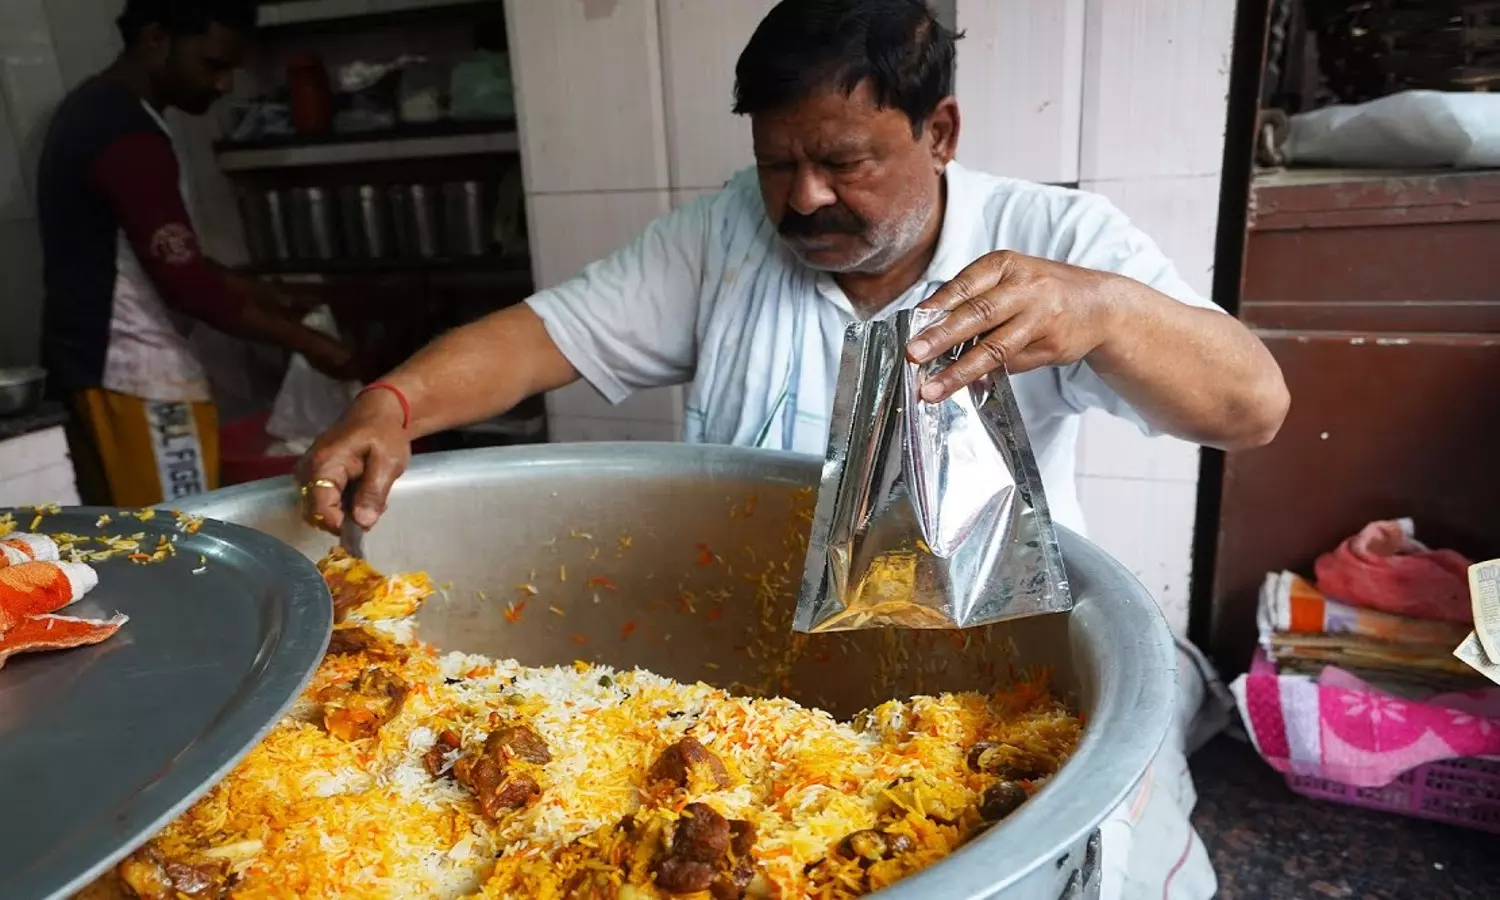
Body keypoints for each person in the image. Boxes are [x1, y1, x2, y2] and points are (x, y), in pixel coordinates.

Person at [299, 2, 1288, 897]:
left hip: (982, 688)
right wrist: (395, 400)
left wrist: (1108, 311)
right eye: (779, 162)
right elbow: (537, 338)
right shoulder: (722, 234)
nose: (804, 197)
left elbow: (1251, 407)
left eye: (844, 161)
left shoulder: (1053, 236)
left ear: (939, 132)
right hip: (744, 696)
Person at [37, 0, 358, 507]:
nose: (224, 84)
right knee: (175, 538)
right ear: (156, 40)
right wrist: (314, 345)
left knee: (140, 535)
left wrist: (270, 296)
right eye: (213, 65)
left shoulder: (96, 111)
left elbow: (166, 259)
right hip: (137, 376)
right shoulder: (128, 138)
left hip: (96, 368)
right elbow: (185, 285)